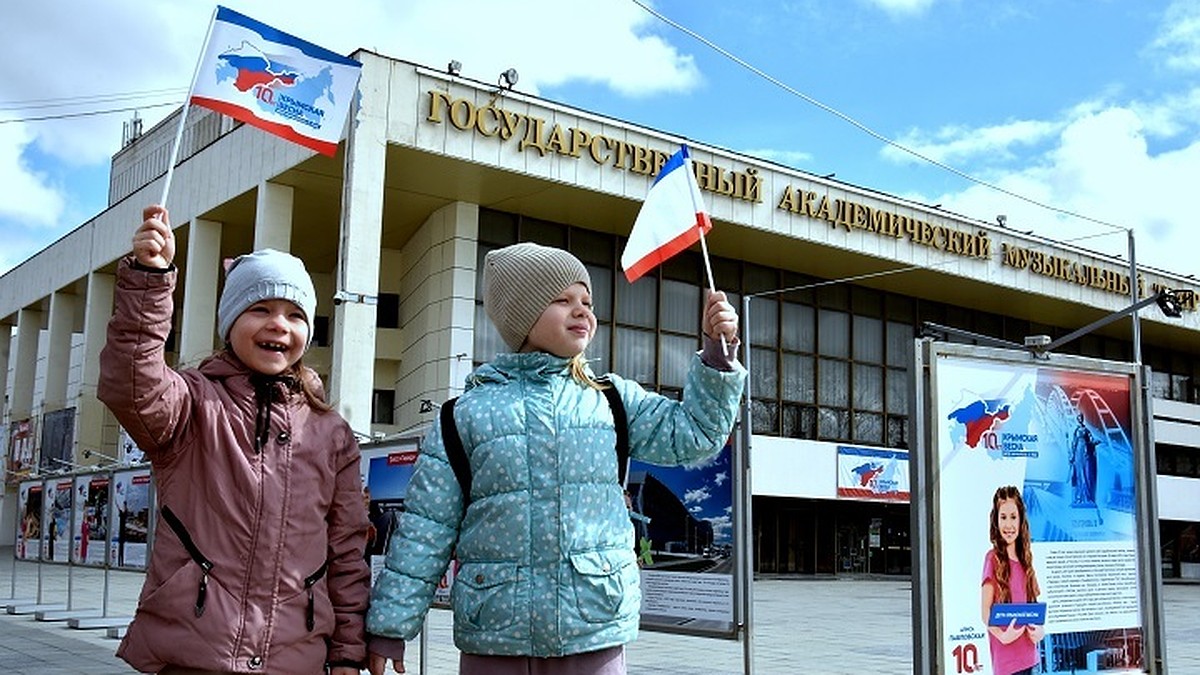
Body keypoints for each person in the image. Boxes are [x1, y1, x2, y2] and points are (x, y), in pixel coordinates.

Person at [366, 242, 746, 675]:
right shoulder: (465, 415)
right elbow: (425, 529)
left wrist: (717, 357)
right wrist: (390, 626)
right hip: (495, 634)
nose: (582, 310)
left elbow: (694, 435)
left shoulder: (611, 401)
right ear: (521, 315)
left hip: (593, 627)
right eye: (562, 300)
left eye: (586, 301)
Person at [98, 205, 371, 675]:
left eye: (294, 314)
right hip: (195, 653)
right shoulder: (190, 405)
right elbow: (132, 383)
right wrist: (150, 279)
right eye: (260, 309)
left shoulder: (331, 433)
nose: (278, 324)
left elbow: (346, 549)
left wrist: (348, 650)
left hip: (296, 658)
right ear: (229, 323)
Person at [981, 485, 1044, 675]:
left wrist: (1040, 632)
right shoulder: (992, 559)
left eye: (1013, 517)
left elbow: (1033, 607)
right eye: (1003, 517)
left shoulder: (1026, 560)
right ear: (996, 520)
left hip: (1029, 656)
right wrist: (1003, 636)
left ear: (1021, 520)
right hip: (1006, 660)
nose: (1008, 525)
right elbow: (985, 612)